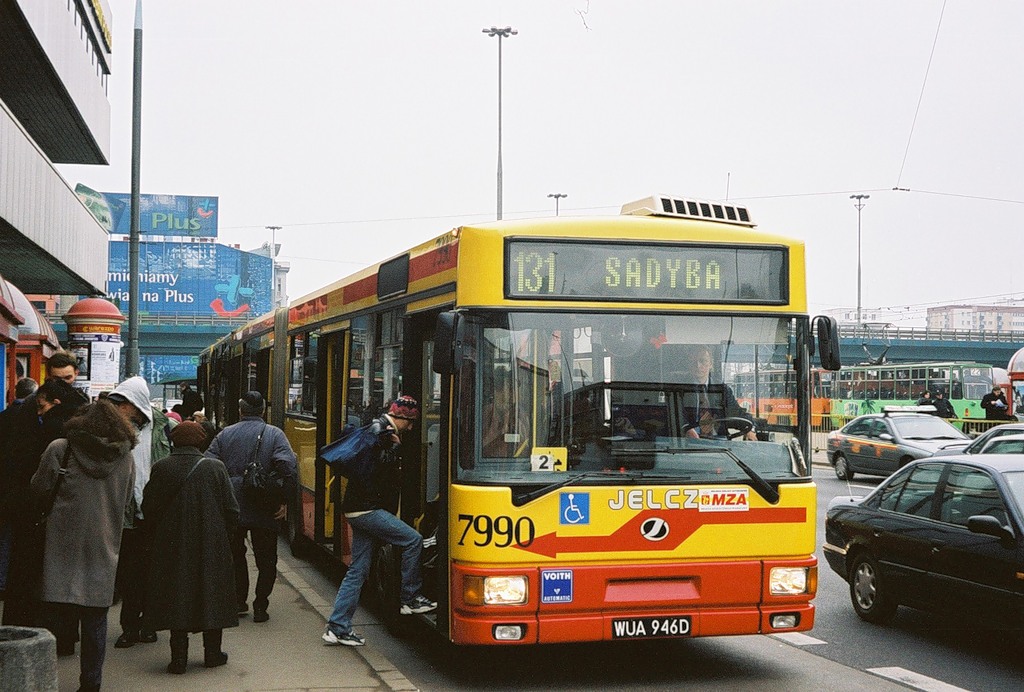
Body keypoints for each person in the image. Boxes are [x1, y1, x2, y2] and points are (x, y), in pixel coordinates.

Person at [31, 400, 136, 692]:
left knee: (51, 616)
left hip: (60, 542)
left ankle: (44, 679)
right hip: (104, 545)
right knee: (95, 620)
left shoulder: (60, 448)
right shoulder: (126, 457)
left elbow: (39, 488)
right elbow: (127, 500)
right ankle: (91, 683)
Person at [322, 396, 435, 647]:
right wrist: (394, 450)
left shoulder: (377, 429)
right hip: (367, 509)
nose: (412, 428)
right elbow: (376, 471)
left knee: (358, 570)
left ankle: (337, 627)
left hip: (358, 509)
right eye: (411, 422)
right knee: (412, 540)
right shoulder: (382, 433)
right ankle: (410, 598)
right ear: (402, 417)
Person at [142, 421, 238, 674]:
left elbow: (148, 508)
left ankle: (178, 659)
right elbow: (232, 509)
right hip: (211, 543)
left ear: (173, 441)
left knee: (177, 596)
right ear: (200, 442)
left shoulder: (162, 467)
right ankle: (212, 654)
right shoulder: (215, 468)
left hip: (171, 545)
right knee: (211, 594)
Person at [1, 379, 88, 630]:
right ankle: (63, 633)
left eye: (42, 407)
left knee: (29, 573)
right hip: (65, 514)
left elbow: (33, 478)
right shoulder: (77, 429)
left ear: (55, 403)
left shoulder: (45, 430)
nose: (39, 412)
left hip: (36, 511)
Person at [204, 391, 296, 623]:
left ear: (240, 410)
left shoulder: (225, 434)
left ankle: (239, 601)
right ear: (263, 411)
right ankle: (261, 606)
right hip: (265, 505)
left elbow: (209, 462)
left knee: (236, 555)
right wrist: (283, 501)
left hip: (232, 504)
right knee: (267, 559)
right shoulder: (275, 434)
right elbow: (287, 468)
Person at [106, 376, 172, 649]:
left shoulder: (165, 428)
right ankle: (129, 628)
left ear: (137, 404)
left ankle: (150, 624)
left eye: (123, 403)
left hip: (157, 511)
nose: (118, 408)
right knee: (130, 573)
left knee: (154, 573)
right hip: (127, 512)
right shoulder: (113, 429)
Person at [675, 344, 757, 441]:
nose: (698, 365)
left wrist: (750, 429)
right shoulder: (678, 388)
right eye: (693, 361)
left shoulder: (722, 390)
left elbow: (736, 413)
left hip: (718, 443)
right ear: (688, 364)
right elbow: (675, 414)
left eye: (703, 361)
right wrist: (686, 429)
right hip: (687, 443)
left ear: (710, 364)